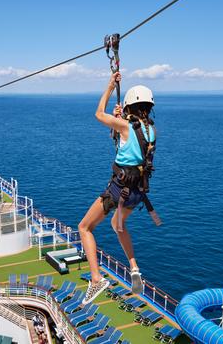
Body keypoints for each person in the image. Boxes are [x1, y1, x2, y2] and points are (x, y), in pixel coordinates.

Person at [78, 72, 156, 304]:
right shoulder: (151, 130)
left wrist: (111, 87)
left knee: (84, 228)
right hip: (138, 192)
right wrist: (120, 120)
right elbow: (127, 141)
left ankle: (95, 279)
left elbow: (98, 114)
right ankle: (134, 268)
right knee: (117, 225)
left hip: (118, 190)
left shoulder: (125, 126)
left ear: (130, 105)